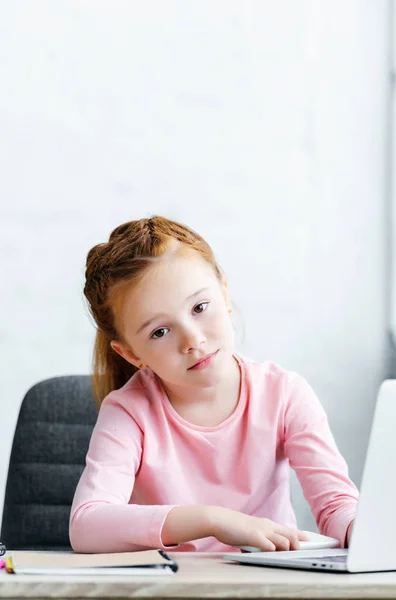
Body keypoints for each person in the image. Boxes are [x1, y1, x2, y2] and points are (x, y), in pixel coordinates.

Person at [69, 215, 358, 554]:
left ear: (225, 292)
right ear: (131, 354)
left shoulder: (285, 394)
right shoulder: (128, 411)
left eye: (199, 307)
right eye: (160, 332)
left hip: (271, 585)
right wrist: (213, 520)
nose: (193, 340)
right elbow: (86, 526)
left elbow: (337, 505)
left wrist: (361, 528)